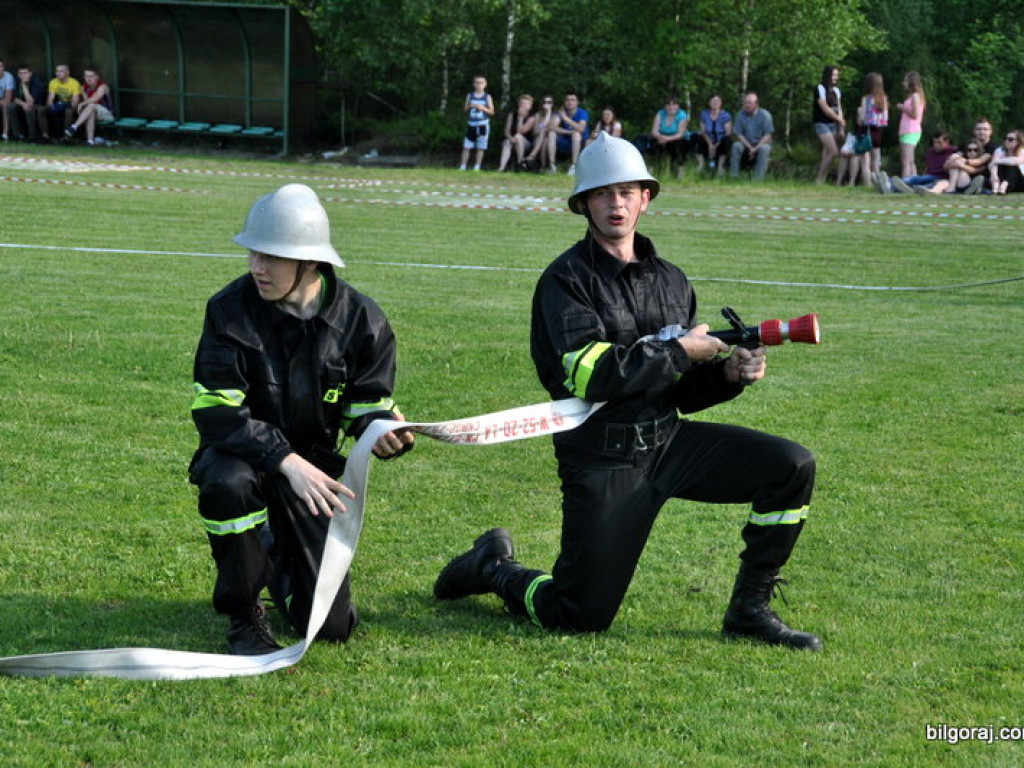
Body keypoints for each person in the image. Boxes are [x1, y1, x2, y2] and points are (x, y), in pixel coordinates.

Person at [434, 133, 822, 651]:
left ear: (646, 197)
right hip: (601, 457)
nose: (616, 203)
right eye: (603, 193)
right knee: (578, 614)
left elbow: (678, 393)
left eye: (627, 192)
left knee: (791, 466)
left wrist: (728, 376)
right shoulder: (565, 281)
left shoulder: (673, 281)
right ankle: (495, 567)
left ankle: (749, 611)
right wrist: (682, 351)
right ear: (583, 205)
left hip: (668, 442)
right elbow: (590, 377)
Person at [189, 184, 415, 655]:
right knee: (227, 484)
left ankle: (272, 555)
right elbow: (217, 414)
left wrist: (383, 429)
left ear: (310, 262)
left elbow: (364, 403)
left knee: (330, 626)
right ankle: (244, 613)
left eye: (270, 257)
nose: (256, 267)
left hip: (314, 476)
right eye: (254, 253)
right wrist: (284, 460)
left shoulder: (362, 320)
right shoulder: (228, 310)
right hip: (244, 457)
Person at [874, 131, 959, 194]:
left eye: (939, 142)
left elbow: (961, 156)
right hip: (929, 176)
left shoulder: (953, 151)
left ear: (947, 142)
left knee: (916, 182)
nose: (936, 145)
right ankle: (888, 183)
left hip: (941, 178)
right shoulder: (930, 151)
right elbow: (927, 166)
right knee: (914, 179)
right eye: (934, 142)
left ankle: (889, 185)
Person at [65, 67, 115, 146]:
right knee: (91, 111)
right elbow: (87, 103)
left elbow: (95, 98)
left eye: (91, 76)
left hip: (107, 114)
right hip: (93, 111)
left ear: (97, 77)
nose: (89, 79)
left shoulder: (103, 86)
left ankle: (74, 126)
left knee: (92, 105)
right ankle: (90, 141)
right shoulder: (83, 87)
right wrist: (84, 104)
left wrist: (82, 104)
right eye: (87, 76)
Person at [730, 92, 773, 180]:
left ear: (756, 104)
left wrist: (755, 148)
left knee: (764, 149)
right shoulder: (740, 114)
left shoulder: (765, 115)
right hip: (746, 143)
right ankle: (734, 177)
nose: (747, 105)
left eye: (749, 103)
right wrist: (750, 147)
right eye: (745, 102)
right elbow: (739, 134)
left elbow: (767, 135)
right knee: (736, 146)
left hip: (761, 143)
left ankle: (758, 179)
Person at [813, 65, 846, 184]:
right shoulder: (820, 88)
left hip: (834, 124)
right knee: (833, 151)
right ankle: (819, 178)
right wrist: (838, 119)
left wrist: (841, 125)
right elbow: (824, 108)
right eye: (834, 75)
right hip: (822, 123)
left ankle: (823, 178)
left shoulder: (836, 91)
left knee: (826, 152)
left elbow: (839, 108)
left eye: (837, 75)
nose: (836, 77)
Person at [546, 90, 589, 174]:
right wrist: (568, 132)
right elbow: (551, 126)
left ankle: (574, 166)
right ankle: (552, 165)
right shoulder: (562, 111)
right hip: (565, 140)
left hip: (580, 142)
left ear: (577, 102)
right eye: (567, 100)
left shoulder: (582, 112)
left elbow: (581, 128)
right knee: (551, 133)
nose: (569, 102)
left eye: (572, 100)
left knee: (576, 135)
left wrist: (565, 118)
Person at [458, 75, 494, 171]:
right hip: (471, 124)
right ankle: (463, 166)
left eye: (481, 82)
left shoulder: (487, 96)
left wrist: (482, 108)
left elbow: (492, 111)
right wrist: (471, 106)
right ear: (474, 84)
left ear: (485, 84)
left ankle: (477, 166)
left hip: (483, 124)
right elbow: (465, 109)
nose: (479, 84)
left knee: (480, 147)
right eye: (477, 82)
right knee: (467, 146)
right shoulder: (470, 95)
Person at [647, 95, 691, 171]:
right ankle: (651, 169)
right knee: (653, 143)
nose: (671, 107)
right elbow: (654, 131)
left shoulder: (682, 115)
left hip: (677, 138)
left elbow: (680, 134)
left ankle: (679, 171)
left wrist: (667, 139)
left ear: (678, 106)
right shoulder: (660, 113)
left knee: (679, 145)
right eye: (668, 104)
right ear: (665, 106)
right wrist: (660, 137)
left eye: (674, 104)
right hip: (661, 136)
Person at [858, 72, 888, 182]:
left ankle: (868, 183)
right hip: (878, 130)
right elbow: (885, 118)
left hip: (867, 129)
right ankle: (879, 182)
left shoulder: (866, 98)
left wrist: (860, 113)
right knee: (876, 160)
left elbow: (862, 118)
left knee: (865, 159)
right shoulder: (883, 99)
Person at [895, 71, 926, 178]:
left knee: (905, 160)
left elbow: (915, 114)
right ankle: (914, 180)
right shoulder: (912, 96)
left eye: (906, 81)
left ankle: (905, 181)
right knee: (910, 160)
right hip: (906, 130)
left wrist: (902, 107)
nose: (903, 83)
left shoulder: (915, 96)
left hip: (911, 130)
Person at [5, 64, 47, 141]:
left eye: (25, 73)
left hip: (37, 104)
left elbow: (31, 102)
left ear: (30, 73)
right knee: (10, 107)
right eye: (20, 73)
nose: (23, 76)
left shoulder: (36, 82)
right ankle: (17, 135)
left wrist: (24, 86)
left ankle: (32, 136)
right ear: (18, 75)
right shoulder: (17, 81)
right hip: (23, 104)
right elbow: (14, 98)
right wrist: (23, 104)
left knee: (29, 109)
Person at [497, 94, 536, 172]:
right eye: (521, 103)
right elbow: (506, 131)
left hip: (526, 142)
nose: (522, 105)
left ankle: (519, 163)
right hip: (512, 139)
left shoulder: (532, 117)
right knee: (507, 142)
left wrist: (520, 118)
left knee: (518, 136)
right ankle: (501, 167)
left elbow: (521, 131)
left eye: (525, 103)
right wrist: (511, 138)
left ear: (530, 106)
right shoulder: (512, 114)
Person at [696, 93, 732, 173]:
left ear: (721, 103)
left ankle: (720, 167)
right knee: (697, 136)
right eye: (713, 101)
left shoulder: (725, 115)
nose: (715, 103)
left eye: (717, 101)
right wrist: (710, 145)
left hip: (720, 142)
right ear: (709, 103)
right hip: (707, 141)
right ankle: (700, 165)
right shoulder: (704, 114)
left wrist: (715, 146)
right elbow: (703, 131)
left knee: (727, 140)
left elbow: (728, 132)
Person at [46, 63, 82, 138]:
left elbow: (75, 103)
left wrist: (63, 105)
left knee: (68, 111)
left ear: (67, 73)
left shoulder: (74, 83)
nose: (58, 73)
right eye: (57, 71)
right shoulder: (53, 82)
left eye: (61, 71)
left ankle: (67, 137)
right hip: (59, 105)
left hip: (71, 106)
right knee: (48, 111)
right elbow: (50, 100)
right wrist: (52, 106)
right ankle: (49, 136)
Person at [523, 94, 555, 170]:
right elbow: (537, 131)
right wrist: (547, 115)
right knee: (543, 133)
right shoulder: (538, 115)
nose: (546, 104)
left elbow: (552, 128)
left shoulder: (555, 115)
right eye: (545, 102)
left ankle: (533, 156)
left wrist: (549, 112)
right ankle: (543, 165)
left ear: (552, 104)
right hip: (537, 139)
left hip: (551, 140)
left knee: (545, 139)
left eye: (549, 102)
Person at [988, 129, 1024, 195]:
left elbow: (1017, 161)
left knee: (1012, 166)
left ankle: (1004, 185)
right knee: (999, 166)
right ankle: (997, 187)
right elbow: (993, 165)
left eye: (1010, 139)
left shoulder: (1022, 151)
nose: (1007, 141)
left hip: (1019, 180)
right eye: (1005, 138)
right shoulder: (999, 150)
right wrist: (994, 175)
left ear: (1018, 142)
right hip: (1001, 179)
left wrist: (997, 161)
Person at [0, 59, 15, 141]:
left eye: (0, 66)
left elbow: (8, 99)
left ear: (3, 67)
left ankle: (5, 134)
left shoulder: (8, 77)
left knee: (6, 106)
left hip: (7, 101)